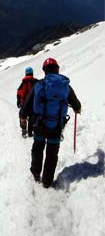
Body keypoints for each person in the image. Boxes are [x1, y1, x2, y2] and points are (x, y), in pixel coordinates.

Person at [20, 58, 81, 188]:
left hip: (40, 124)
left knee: (38, 149)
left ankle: (36, 174)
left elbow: (27, 104)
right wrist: (77, 108)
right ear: (57, 69)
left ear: (44, 71)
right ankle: (47, 181)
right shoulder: (65, 86)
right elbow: (76, 103)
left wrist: (23, 116)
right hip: (57, 126)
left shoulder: (39, 85)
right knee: (52, 154)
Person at [17, 67, 38, 137]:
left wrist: (19, 102)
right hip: (34, 104)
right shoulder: (36, 82)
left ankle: (24, 131)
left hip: (25, 104)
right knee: (32, 118)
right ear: (32, 73)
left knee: (22, 116)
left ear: (26, 74)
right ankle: (31, 131)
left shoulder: (23, 83)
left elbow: (19, 93)